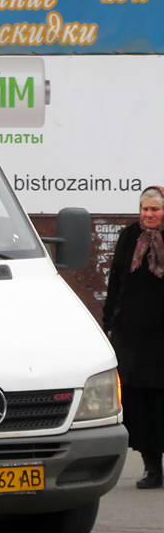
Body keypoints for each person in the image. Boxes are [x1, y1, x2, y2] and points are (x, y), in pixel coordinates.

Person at [103, 185, 164, 489]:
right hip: (133, 336)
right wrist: (108, 321)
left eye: (154, 209)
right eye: (144, 208)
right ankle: (152, 466)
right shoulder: (129, 237)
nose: (148, 214)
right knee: (140, 402)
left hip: (161, 337)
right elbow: (116, 278)